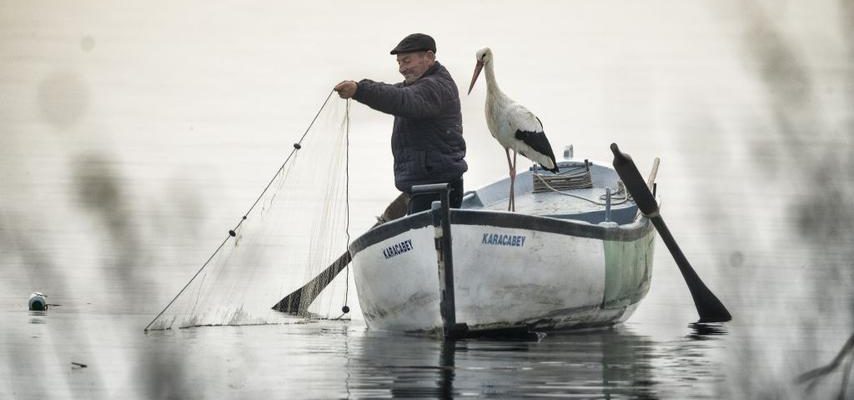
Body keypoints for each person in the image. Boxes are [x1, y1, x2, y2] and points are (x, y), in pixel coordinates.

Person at [334, 33, 467, 213]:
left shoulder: (435, 87)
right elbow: (391, 91)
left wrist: (359, 90)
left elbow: (400, 99)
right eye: (399, 63)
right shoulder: (417, 86)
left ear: (429, 57)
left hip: (437, 189)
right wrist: (359, 87)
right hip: (423, 187)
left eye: (407, 61)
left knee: (429, 236)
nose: (402, 69)